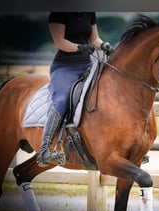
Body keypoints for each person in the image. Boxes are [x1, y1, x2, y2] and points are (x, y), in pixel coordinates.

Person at [37, 12, 111, 167]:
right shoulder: (58, 13)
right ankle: (45, 150)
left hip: (87, 65)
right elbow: (59, 42)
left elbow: (94, 39)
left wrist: (104, 45)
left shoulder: (89, 13)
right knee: (62, 99)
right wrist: (79, 47)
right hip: (65, 66)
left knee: (105, 94)